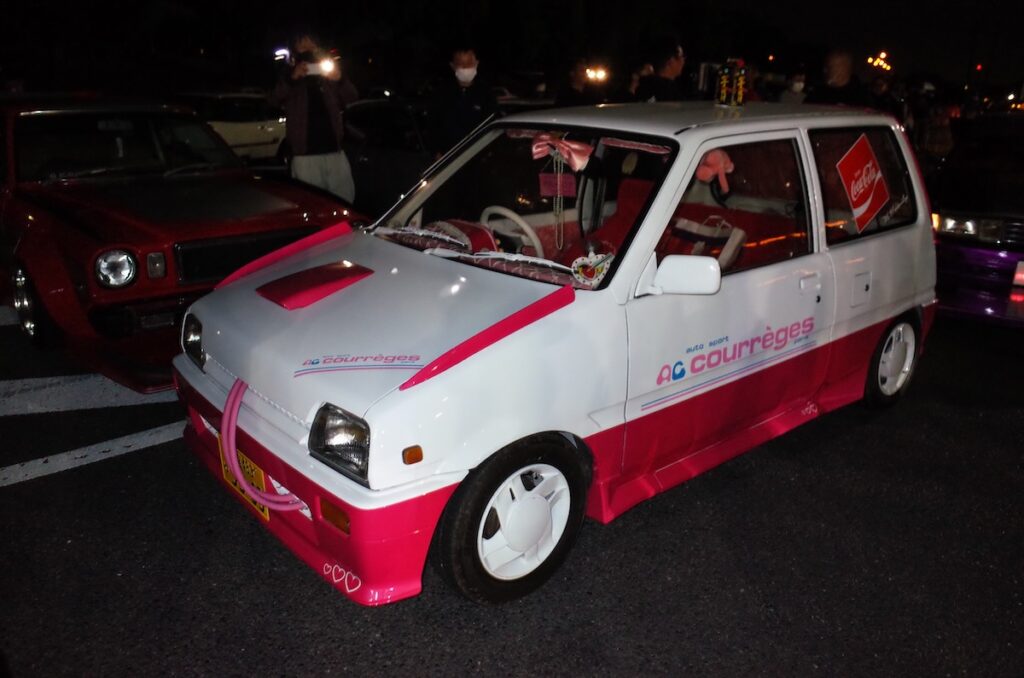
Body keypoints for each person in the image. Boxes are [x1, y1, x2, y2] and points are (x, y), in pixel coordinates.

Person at [270, 32, 359, 202]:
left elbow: (352, 97)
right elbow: (274, 99)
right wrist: (292, 79)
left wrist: (339, 79)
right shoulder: (288, 75)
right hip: (305, 157)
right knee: (312, 203)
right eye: (303, 46)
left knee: (345, 201)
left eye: (311, 46)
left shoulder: (327, 77)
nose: (308, 51)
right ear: (295, 50)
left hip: (335, 152)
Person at [429, 45, 498, 155]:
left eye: (469, 64)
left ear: (476, 64)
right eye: (461, 64)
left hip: (478, 154)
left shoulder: (486, 94)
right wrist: (437, 151)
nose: (466, 68)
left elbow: (492, 125)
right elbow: (434, 125)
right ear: (452, 66)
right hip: (449, 156)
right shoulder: (442, 94)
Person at [804, 49, 870, 107]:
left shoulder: (861, 96)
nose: (826, 70)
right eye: (828, 66)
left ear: (846, 67)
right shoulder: (817, 93)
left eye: (833, 66)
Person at [634, 35, 687, 103]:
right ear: (671, 61)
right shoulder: (669, 93)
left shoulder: (642, 88)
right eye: (682, 56)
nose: (683, 61)